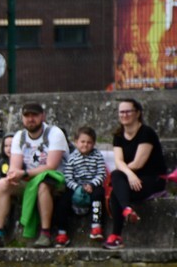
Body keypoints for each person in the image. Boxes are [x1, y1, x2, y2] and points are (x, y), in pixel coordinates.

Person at [0, 102, 68, 249]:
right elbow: (14, 167)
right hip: (29, 178)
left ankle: (45, 234)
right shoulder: (19, 136)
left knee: (43, 184)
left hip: (55, 179)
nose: (30, 119)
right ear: (22, 118)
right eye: (27, 116)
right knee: (2, 185)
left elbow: (51, 166)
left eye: (34, 115)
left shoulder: (54, 133)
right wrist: (13, 176)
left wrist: (24, 173)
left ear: (43, 117)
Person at [104, 98, 167, 250]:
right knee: (117, 178)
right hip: (131, 179)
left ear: (137, 113)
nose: (124, 115)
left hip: (152, 179)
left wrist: (129, 174)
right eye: (121, 112)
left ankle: (116, 235)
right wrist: (129, 175)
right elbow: (118, 161)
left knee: (116, 187)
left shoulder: (146, 132)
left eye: (128, 111)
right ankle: (126, 209)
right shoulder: (118, 135)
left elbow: (139, 163)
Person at [53, 126, 107, 246]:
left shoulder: (97, 156)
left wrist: (92, 184)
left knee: (98, 195)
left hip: (93, 185)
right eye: (82, 142)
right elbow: (68, 177)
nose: (85, 145)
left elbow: (101, 173)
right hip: (76, 187)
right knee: (62, 201)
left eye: (89, 142)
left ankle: (96, 226)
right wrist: (77, 187)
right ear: (76, 142)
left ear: (93, 144)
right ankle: (62, 233)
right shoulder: (72, 158)